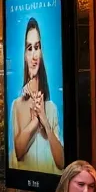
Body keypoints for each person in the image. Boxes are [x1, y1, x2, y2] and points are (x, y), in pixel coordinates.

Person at [10, 18, 65, 172]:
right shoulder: (17, 105)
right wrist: (34, 122)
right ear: (25, 54)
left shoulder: (51, 108)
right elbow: (19, 153)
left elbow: (61, 163)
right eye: (29, 48)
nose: (34, 55)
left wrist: (44, 121)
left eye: (37, 47)